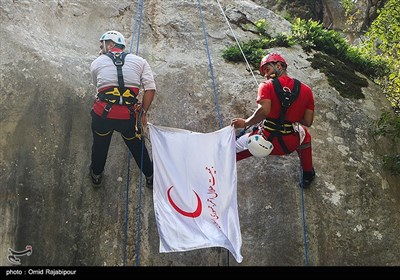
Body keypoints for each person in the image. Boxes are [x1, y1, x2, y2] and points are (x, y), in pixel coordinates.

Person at [231, 52, 316, 188]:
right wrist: (291, 114)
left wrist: (246, 123)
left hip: (263, 141)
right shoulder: (306, 90)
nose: (265, 74)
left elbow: (264, 110)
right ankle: (308, 174)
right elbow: (307, 121)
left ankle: (218, 168)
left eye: (267, 69)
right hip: (289, 144)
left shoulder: (266, 85)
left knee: (233, 148)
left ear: (279, 65)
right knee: (305, 136)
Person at [89, 30, 156, 188]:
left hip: (103, 115)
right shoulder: (140, 61)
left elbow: (98, 88)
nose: (100, 49)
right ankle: (150, 176)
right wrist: (143, 113)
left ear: (110, 44)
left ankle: (96, 175)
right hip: (128, 117)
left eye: (102, 45)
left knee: (100, 144)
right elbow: (150, 89)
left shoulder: (97, 62)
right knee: (137, 146)